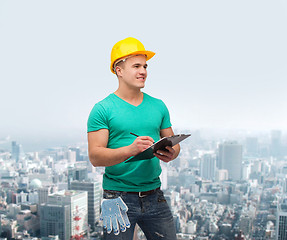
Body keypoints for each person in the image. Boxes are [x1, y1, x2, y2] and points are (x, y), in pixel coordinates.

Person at [87, 37, 180, 240]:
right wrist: (132, 149)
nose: (143, 71)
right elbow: (95, 156)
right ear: (119, 70)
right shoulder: (102, 109)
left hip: (154, 195)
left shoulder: (159, 106)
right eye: (136, 66)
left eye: (145, 66)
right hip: (117, 198)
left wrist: (171, 153)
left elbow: (173, 141)